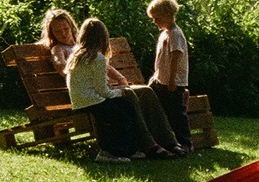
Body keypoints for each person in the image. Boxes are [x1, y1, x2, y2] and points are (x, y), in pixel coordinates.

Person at [66, 18, 180, 160]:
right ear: (103, 38)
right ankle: (149, 145)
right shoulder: (94, 57)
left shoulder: (81, 56)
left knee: (145, 91)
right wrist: (122, 90)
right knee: (128, 98)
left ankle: (169, 141)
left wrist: (121, 85)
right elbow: (104, 92)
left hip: (94, 97)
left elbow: (99, 85)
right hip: (94, 99)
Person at [147, 0, 194, 151]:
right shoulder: (164, 34)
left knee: (176, 113)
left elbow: (175, 57)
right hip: (161, 79)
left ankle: (186, 142)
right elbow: (162, 59)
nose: (155, 22)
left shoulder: (175, 34)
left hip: (172, 82)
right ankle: (162, 139)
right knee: (157, 106)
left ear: (168, 15)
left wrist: (172, 80)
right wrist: (156, 75)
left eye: (157, 18)